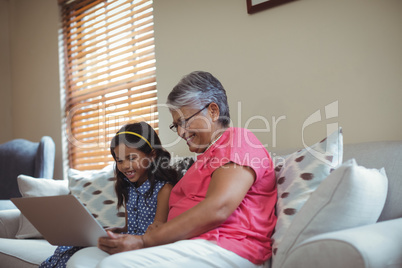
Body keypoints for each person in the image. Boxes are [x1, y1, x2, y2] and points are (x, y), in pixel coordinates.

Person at [67, 71, 277, 268]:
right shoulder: (201, 162)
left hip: (227, 246)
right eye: (175, 125)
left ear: (213, 111)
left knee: (112, 265)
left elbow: (218, 207)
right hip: (185, 244)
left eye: (184, 121)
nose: (180, 132)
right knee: (82, 260)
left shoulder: (238, 139)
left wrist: (143, 241)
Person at [40, 121, 177, 268]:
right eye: (119, 160)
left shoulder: (164, 190)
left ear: (152, 156)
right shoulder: (129, 187)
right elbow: (129, 227)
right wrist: (115, 231)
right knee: (67, 247)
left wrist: (127, 239)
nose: (124, 166)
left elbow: (157, 232)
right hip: (126, 242)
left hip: (143, 248)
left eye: (131, 158)